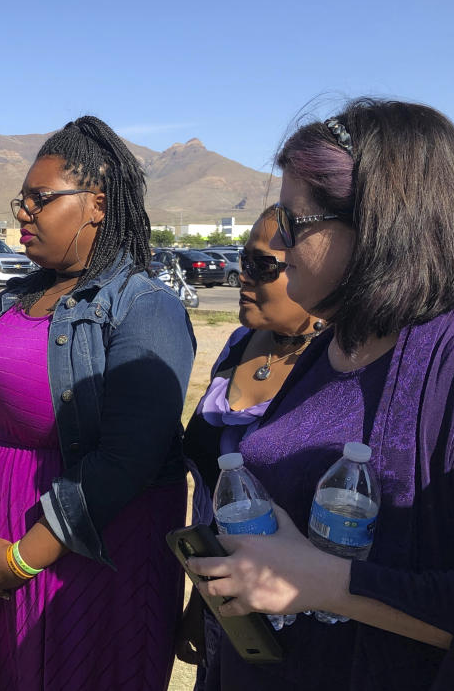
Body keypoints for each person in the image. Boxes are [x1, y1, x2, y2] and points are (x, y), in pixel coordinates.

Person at [187, 99, 454, 690]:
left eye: (292, 223)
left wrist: (328, 584)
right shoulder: (333, 344)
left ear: (376, 225)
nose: (278, 244)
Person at [0, 116, 196, 690]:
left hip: (86, 557)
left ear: (97, 205)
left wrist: (24, 559)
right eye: (22, 199)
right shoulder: (14, 297)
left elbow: (128, 458)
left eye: (41, 198)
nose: (23, 213)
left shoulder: (144, 308)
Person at [177, 206, 324, 680]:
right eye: (243, 259)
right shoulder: (241, 341)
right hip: (226, 606)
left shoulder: (343, 365)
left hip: (306, 617)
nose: (242, 275)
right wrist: (203, 603)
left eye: (263, 266)